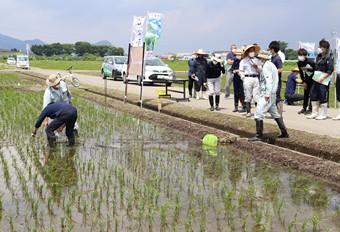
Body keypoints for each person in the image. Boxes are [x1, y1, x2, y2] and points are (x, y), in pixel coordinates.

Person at [249, 51, 289, 141]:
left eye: (258, 58)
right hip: (272, 94)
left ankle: (258, 135)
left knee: (258, 113)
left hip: (267, 94)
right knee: (275, 113)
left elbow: (269, 81)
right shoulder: (269, 65)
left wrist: (267, 95)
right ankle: (284, 132)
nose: (258, 60)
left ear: (262, 59)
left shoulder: (266, 66)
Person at [307, 39, 334, 120]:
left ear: (326, 48)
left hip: (323, 80)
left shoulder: (329, 57)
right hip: (316, 79)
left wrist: (323, 78)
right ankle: (314, 113)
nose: (320, 48)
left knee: (322, 95)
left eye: (322, 47)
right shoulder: (318, 56)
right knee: (313, 94)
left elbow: (330, 70)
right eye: (320, 47)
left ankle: (324, 114)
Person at [239, 44, 261, 117]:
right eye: (251, 51)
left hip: (255, 78)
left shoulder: (257, 60)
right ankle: (248, 111)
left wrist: (257, 67)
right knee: (248, 96)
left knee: (256, 96)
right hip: (247, 78)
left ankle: (258, 112)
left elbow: (260, 71)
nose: (252, 52)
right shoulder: (243, 61)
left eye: (253, 51)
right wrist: (243, 78)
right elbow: (241, 70)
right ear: (248, 52)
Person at [297, 48, 315, 114]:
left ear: (305, 55)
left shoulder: (311, 62)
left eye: (301, 55)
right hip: (306, 80)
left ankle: (310, 109)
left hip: (313, 80)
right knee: (306, 94)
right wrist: (303, 82)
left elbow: (315, 70)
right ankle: (304, 108)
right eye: (299, 55)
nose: (300, 57)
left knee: (312, 94)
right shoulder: (299, 63)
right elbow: (301, 73)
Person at [268, 41, 283, 115]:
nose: (269, 50)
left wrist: (272, 72)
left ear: (273, 49)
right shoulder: (272, 58)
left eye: (270, 49)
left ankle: (279, 114)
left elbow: (280, 70)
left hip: (277, 81)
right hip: (272, 81)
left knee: (277, 97)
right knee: (273, 97)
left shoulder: (277, 58)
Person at [230, 48, 246, 112]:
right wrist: (233, 70)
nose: (238, 55)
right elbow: (232, 69)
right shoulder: (235, 61)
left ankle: (244, 106)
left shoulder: (244, 61)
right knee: (236, 92)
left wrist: (238, 70)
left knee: (242, 92)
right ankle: (236, 106)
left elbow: (245, 70)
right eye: (237, 54)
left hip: (242, 78)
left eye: (240, 54)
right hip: (236, 78)